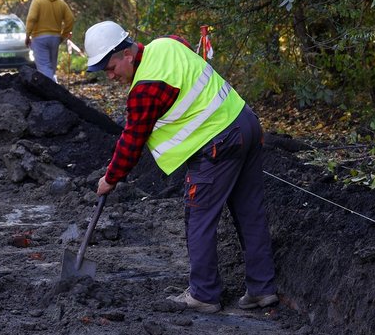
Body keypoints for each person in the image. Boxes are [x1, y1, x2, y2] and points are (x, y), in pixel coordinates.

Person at [85, 21, 277, 314]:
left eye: (110, 67)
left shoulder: (144, 89)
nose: (110, 76)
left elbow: (133, 139)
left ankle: (204, 294)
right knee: (250, 212)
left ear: (126, 52)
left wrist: (111, 178)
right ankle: (262, 289)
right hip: (245, 123)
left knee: (199, 217)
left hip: (218, 142)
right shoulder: (167, 43)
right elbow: (185, 53)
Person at [25, 0, 74, 81]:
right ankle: (52, 88)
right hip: (55, 38)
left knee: (44, 67)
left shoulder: (37, 0)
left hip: (39, 38)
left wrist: (27, 35)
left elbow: (31, 18)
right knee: (51, 67)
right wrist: (62, 36)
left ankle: (49, 91)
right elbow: (70, 19)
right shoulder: (61, 2)